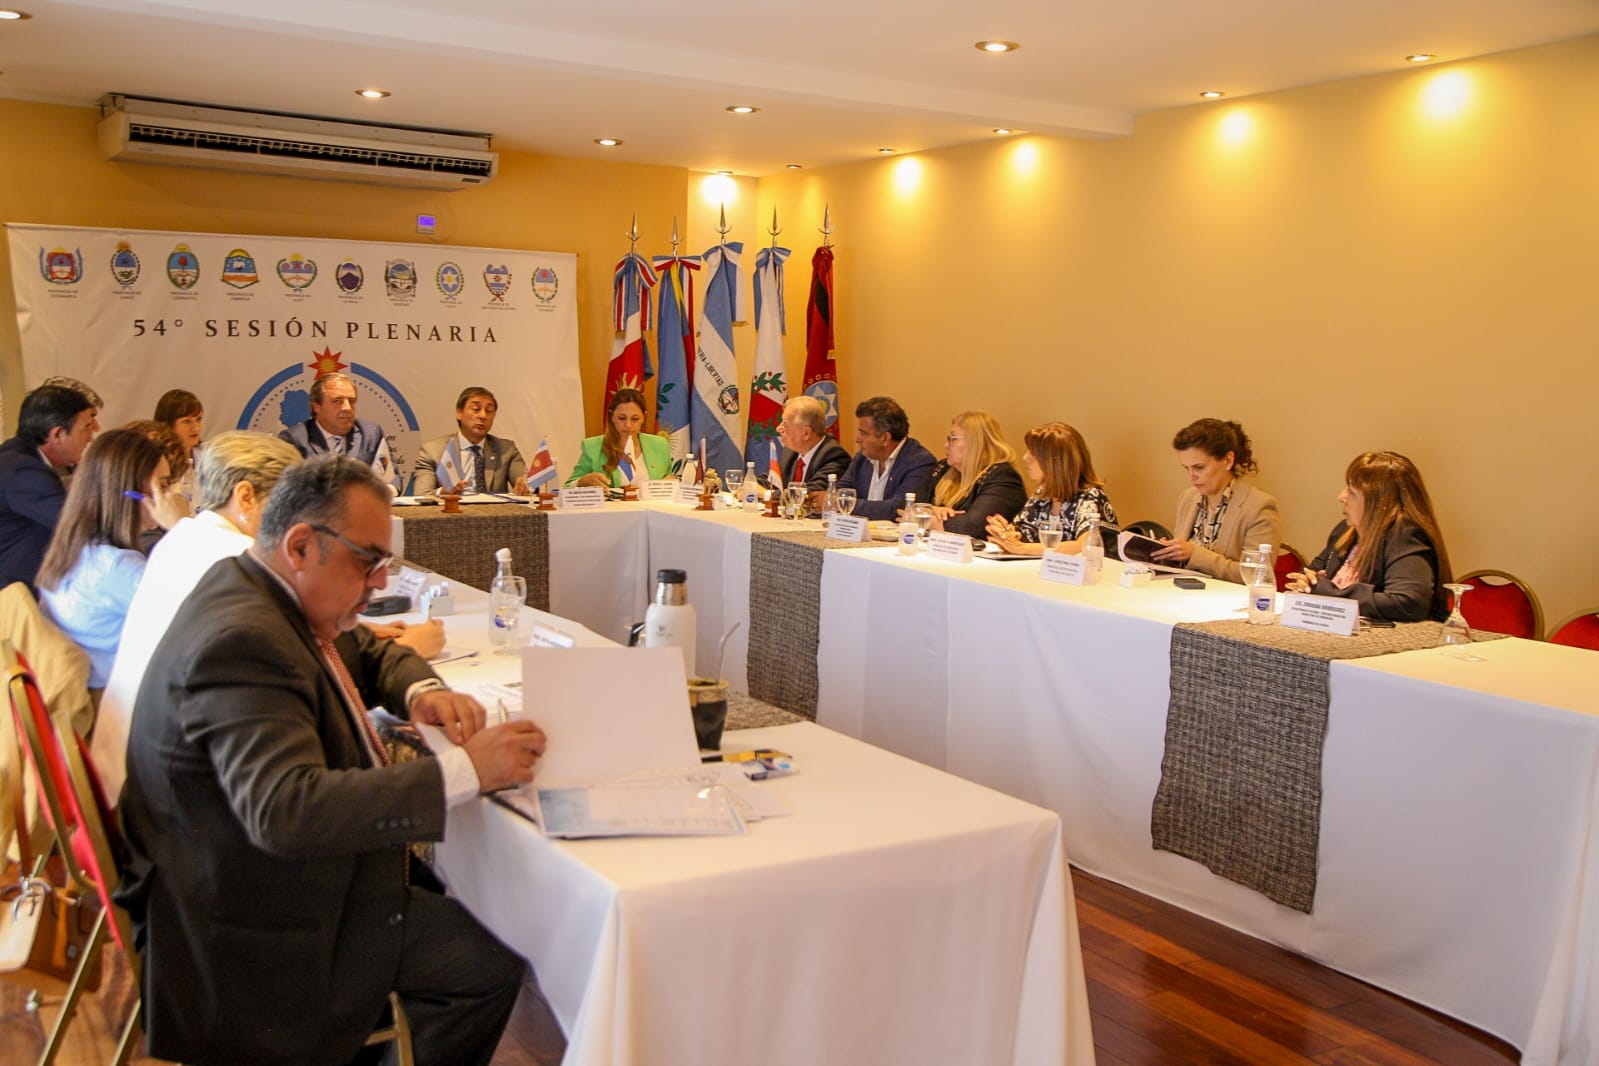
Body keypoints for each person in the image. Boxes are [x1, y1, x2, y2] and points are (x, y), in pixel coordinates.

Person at [116, 456, 546, 1065]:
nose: (377, 583)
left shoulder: (265, 590)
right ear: (299, 546)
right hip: (247, 924)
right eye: (368, 561)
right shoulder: (241, 641)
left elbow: (370, 650)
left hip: (251, 873)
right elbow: (286, 811)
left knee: (468, 899)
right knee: (485, 965)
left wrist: (425, 692)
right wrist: (470, 770)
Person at [35, 428, 185, 687]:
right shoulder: (117, 568)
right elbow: (205, 612)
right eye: (162, 486)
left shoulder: (75, 548)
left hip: (92, 690)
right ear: (130, 494)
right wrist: (183, 528)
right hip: (116, 704)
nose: (169, 497)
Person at [1285, 450, 1452, 622]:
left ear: (1378, 503)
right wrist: (1308, 583)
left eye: (1352, 492)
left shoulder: (1405, 536)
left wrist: (1332, 594)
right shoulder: (1345, 531)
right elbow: (1310, 575)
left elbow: (1407, 602)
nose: (1341, 497)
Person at [1152, 418, 1281, 582]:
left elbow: (1257, 576)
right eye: (1187, 468)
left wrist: (1194, 554)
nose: (1191, 476)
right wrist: (1168, 553)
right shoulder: (1188, 498)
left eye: (1199, 467)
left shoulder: (1259, 507)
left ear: (1228, 460)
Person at [0, 384, 100, 591]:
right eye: (86, 428)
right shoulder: (24, 472)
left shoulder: (15, 456)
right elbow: (80, 528)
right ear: (58, 435)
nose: (91, 437)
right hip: (16, 598)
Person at [985, 422, 1117, 556]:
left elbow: (1085, 545)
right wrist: (1006, 532)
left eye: (1033, 453)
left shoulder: (1090, 496)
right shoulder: (1042, 495)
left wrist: (1021, 548)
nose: (1026, 457)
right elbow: (1021, 535)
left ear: (1055, 462)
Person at [912, 410, 1026, 539]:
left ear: (976, 443)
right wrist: (931, 510)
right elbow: (903, 509)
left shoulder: (1003, 477)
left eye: (952, 439)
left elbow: (971, 527)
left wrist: (923, 518)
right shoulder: (943, 468)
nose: (946, 444)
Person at [278, 371, 397, 485]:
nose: (347, 408)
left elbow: (392, 478)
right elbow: (283, 488)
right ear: (316, 407)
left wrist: (385, 491)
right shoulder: (293, 440)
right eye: (337, 401)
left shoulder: (371, 434)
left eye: (351, 401)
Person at [411, 386, 529, 495]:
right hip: (451, 514)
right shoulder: (432, 451)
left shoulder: (506, 450)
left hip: (493, 515)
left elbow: (524, 480)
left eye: (489, 411)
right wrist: (442, 492)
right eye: (476, 409)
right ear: (459, 413)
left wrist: (524, 484)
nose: (483, 416)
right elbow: (422, 495)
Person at [836, 396, 937, 520]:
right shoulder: (862, 458)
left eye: (863, 433)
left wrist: (847, 504)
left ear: (885, 438)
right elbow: (841, 492)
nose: (858, 439)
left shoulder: (920, 462)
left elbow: (899, 508)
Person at [567, 387, 672, 488]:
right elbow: (567, 487)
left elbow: (669, 477)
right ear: (612, 417)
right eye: (622, 418)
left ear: (644, 418)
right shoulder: (592, 447)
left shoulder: (660, 445)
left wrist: (671, 482)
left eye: (635, 419)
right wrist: (582, 481)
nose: (628, 425)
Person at [772, 395, 850, 499]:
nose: (778, 429)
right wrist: (750, 485)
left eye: (785, 424)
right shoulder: (791, 452)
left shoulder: (834, 456)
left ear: (806, 433)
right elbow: (771, 478)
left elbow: (809, 496)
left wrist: (767, 494)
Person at [154, 387, 205, 499]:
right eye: (186, 421)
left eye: (198, 419)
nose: (195, 428)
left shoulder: (209, 455)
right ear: (167, 424)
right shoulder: (158, 461)